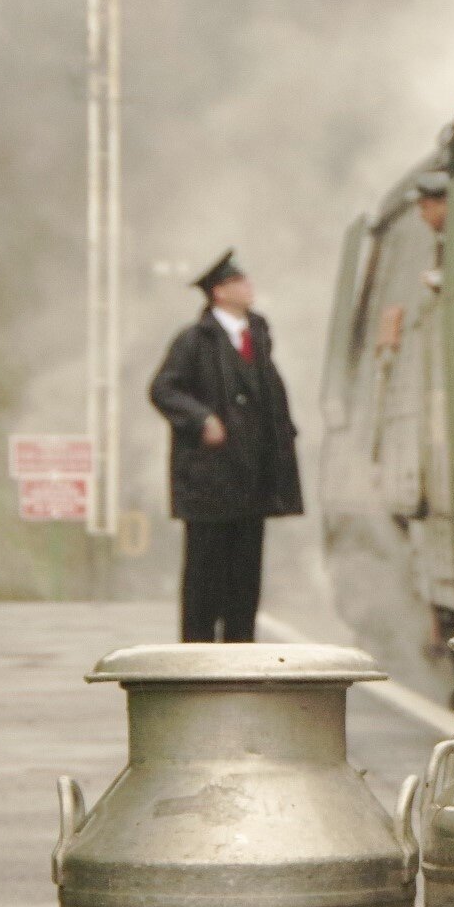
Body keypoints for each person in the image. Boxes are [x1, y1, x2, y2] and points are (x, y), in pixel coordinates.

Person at [149, 249, 303, 642]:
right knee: (205, 574)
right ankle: (197, 652)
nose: (249, 287)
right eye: (240, 281)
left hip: (252, 479)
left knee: (245, 576)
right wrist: (201, 418)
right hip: (210, 481)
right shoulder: (194, 340)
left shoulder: (258, 335)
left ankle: (240, 650)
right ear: (219, 292)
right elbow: (163, 389)